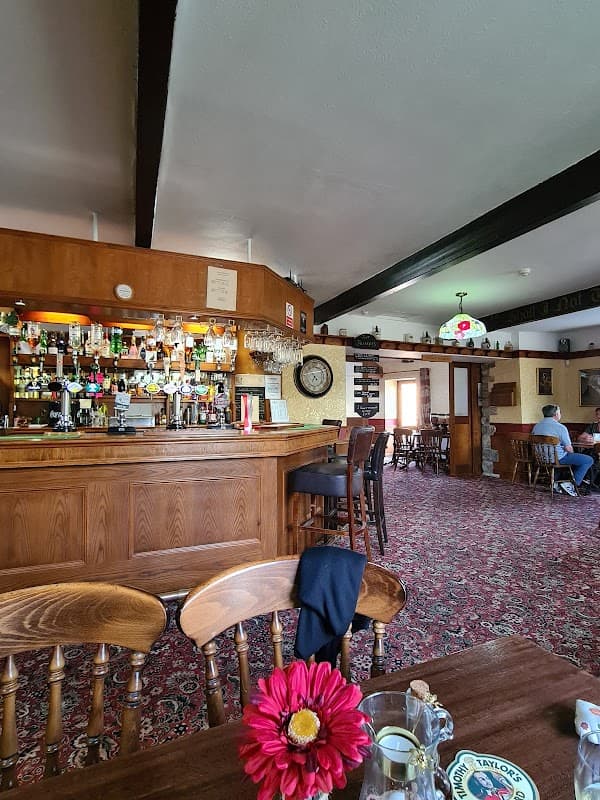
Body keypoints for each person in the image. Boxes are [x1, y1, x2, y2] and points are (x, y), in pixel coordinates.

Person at [532, 404, 594, 495]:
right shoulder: (560, 427)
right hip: (558, 459)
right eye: (560, 412)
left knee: (571, 458)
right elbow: (569, 449)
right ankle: (571, 485)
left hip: (541, 459)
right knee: (588, 460)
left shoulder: (537, 426)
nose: (560, 414)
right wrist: (572, 454)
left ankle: (556, 484)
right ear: (556, 414)